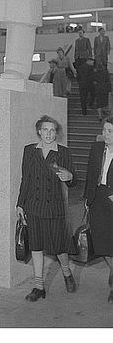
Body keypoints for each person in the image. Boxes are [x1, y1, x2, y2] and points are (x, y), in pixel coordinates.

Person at [16, 115, 78, 301]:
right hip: (34, 206)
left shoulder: (63, 152)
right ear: (39, 131)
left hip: (54, 206)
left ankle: (66, 272)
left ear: (56, 133)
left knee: (59, 246)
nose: (48, 134)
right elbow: (25, 179)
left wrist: (70, 176)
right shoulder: (29, 151)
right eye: (45, 129)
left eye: (52, 130)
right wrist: (20, 204)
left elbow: (74, 179)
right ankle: (38, 286)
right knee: (36, 246)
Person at [84, 117, 113, 302]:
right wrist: (87, 199)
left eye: (110, 131)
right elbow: (90, 172)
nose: (105, 134)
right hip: (97, 198)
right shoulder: (96, 148)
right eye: (104, 130)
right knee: (102, 244)